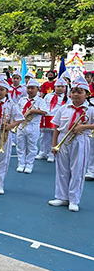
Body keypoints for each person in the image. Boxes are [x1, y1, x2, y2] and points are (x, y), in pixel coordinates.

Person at [49, 76, 94, 212]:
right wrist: (54, 144)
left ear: (87, 94)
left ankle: (74, 199)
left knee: (77, 170)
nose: (75, 94)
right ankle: (62, 197)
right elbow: (56, 126)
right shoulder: (64, 108)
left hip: (80, 140)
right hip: (63, 140)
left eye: (79, 92)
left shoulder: (90, 109)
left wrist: (83, 127)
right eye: (73, 91)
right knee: (62, 170)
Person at [15, 79, 47, 174]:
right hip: (22, 125)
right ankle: (21, 164)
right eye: (28, 88)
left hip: (33, 126)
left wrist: (32, 111)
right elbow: (17, 111)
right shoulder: (22, 100)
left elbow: (44, 112)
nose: (30, 90)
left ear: (37, 89)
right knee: (20, 145)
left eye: (32, 88)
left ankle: (29, 164)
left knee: (31, 146)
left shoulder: (40, 101)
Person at [37, 78, 67, 163]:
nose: (59, 88)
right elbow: (44, 105)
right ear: (54, 87)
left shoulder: (66, 99)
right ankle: (42, 152)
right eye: (58, 86)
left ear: (65, 88)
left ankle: (51, 154)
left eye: (62, 87)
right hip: (47, 118)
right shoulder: (48, 96)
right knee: (44, 136)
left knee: (54, 137)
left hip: (57, 119)